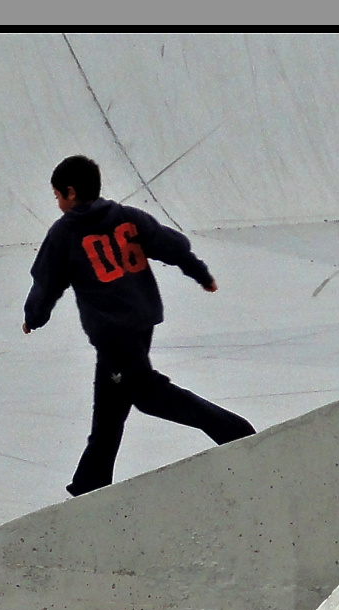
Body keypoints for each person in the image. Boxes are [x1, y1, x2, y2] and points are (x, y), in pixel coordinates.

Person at [22, 154, 255, 497]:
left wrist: (33, 316)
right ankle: (90, 484)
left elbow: (47, 283)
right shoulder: (128, 218)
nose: (57, 203)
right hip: (141, 322)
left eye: (57, 196)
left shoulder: (65, 233)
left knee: (148, 395)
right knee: (110, 409)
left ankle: (235, 432)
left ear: (70, 193)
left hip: (113, 333)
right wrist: (200, 272)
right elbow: (171, 246)